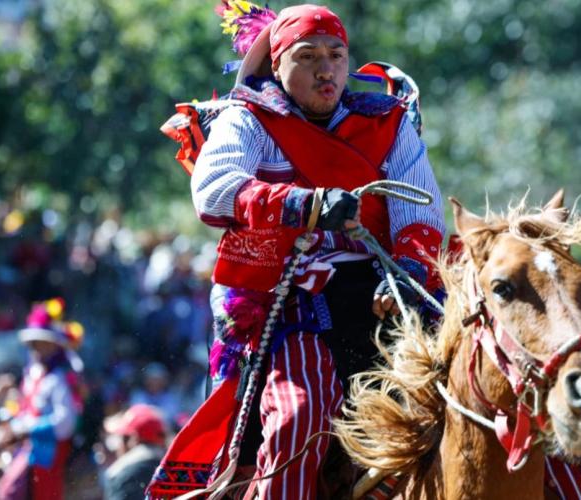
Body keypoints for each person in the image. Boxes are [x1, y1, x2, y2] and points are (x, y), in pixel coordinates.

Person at [149, 3, 445, 499]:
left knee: (464, 403)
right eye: (307, 56)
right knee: (298, 416)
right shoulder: (249, 119)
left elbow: (422, 214)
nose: (325, 69)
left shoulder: (388, 123)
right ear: (277, 63)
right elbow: (214, 191)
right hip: (285, 300)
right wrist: (304, 205)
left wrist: (407, 272)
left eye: (336, 55)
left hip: (382, 293)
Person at [0, 298, 85, 500]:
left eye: (42, 344)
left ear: (54, 346)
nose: (36, 349)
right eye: (34, 344)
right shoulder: (35, 375)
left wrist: (26, 427)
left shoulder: (60, 378)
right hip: (28, 447)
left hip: (49, 452)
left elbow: (66, 423)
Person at [102, 404, 167, 500]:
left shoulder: (120, 474)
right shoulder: (177, 470)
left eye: (119, 438)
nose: (117, 446)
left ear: (132, 440)